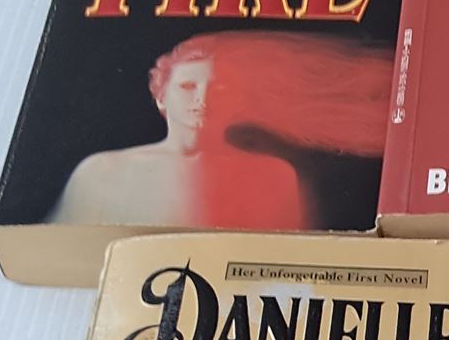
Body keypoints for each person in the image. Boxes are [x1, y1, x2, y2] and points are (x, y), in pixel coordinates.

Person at [50, 37, 318, 230]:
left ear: (236, 101)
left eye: (220, 88)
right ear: (161, 97)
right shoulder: (101, 172)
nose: (203, 98)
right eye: (188, 86)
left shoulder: (273, 176)